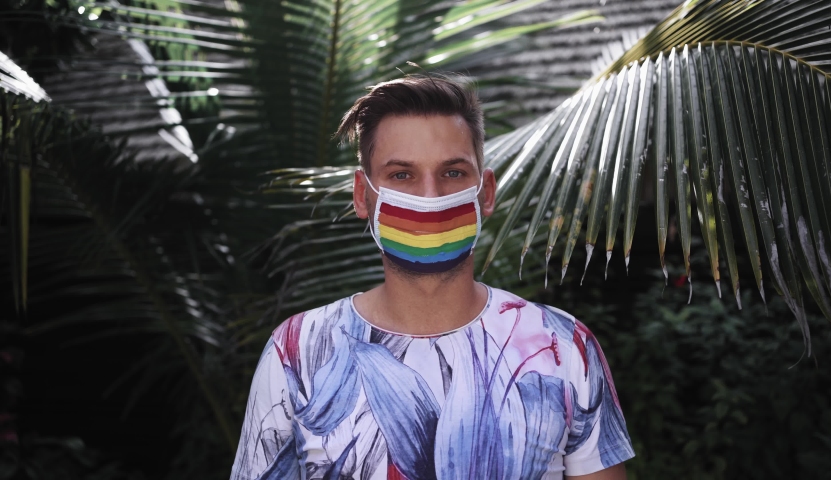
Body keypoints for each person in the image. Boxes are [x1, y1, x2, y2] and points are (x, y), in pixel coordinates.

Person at [230, 75, 634, 480]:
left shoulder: (563, 346)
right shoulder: (297, 352)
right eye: (402, 175)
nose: (430, 197)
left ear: (486, 191)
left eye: (453, 173)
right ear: (362, 195)